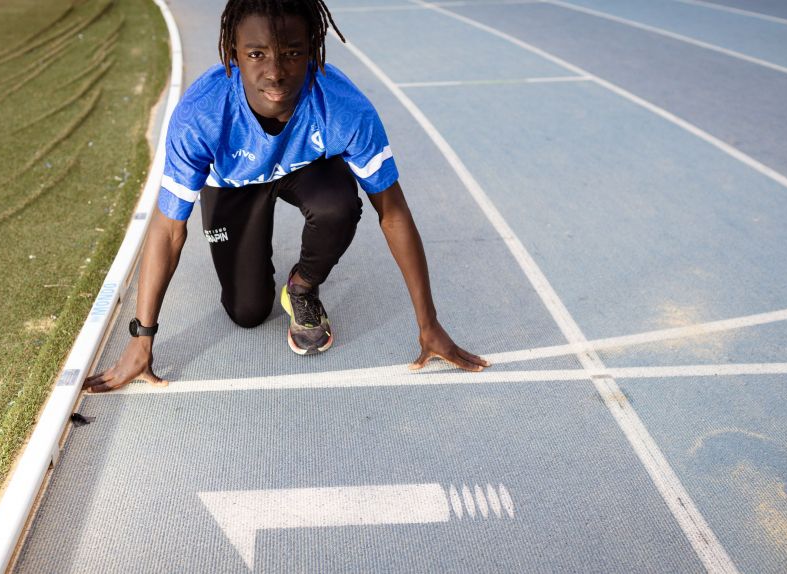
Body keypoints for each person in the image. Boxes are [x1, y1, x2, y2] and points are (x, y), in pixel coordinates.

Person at [84, 0, 489, 393]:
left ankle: (302, 286)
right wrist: (142, 338)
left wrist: (429, 324)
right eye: (257, 54)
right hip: (233, 185)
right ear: (232, 54)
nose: (275, 72)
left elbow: (394, 214)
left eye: (292, 53)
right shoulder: (201, 115)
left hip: (304, 169)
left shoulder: (343, 107)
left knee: (340, 206)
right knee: (247, 313)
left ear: (313, 50)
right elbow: (168, 230)